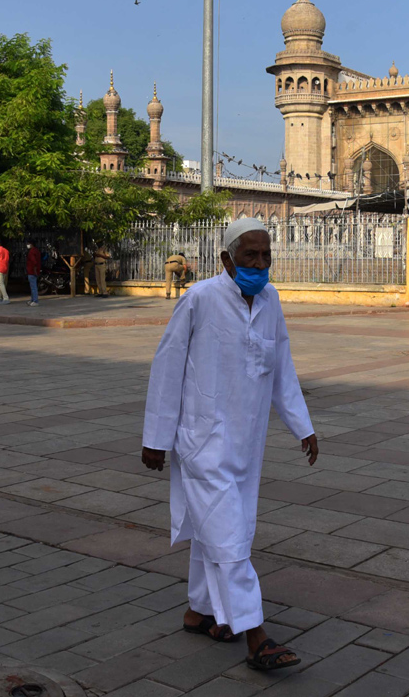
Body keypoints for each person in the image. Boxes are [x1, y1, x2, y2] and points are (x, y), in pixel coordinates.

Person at [142, 217, 317, 672]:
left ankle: (199, 611)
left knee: (224, 528)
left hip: (247, 443)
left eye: (265, 256)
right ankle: (255, 634)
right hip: (203, 442)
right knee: (228, 538)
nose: (259, 265)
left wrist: (302, 424)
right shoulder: (200, 299)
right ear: (226, 260)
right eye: (249, 256)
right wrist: (156, 438)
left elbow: (282, 366)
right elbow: (167, 366)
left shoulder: (270, 299)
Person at [0, 239, 11, 305]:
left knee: (0, 284)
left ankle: (6, 298)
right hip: (5, 268)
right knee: (1, 283)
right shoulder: (6, 251)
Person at [25, 240, 42, 307]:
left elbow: (34, 262)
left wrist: (34, 270)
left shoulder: (31, 252)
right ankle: (32, 300)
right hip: (35, 271)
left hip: (32, 271)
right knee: (33, 286)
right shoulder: (36, 251)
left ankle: (35, 300)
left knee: (33, 287)